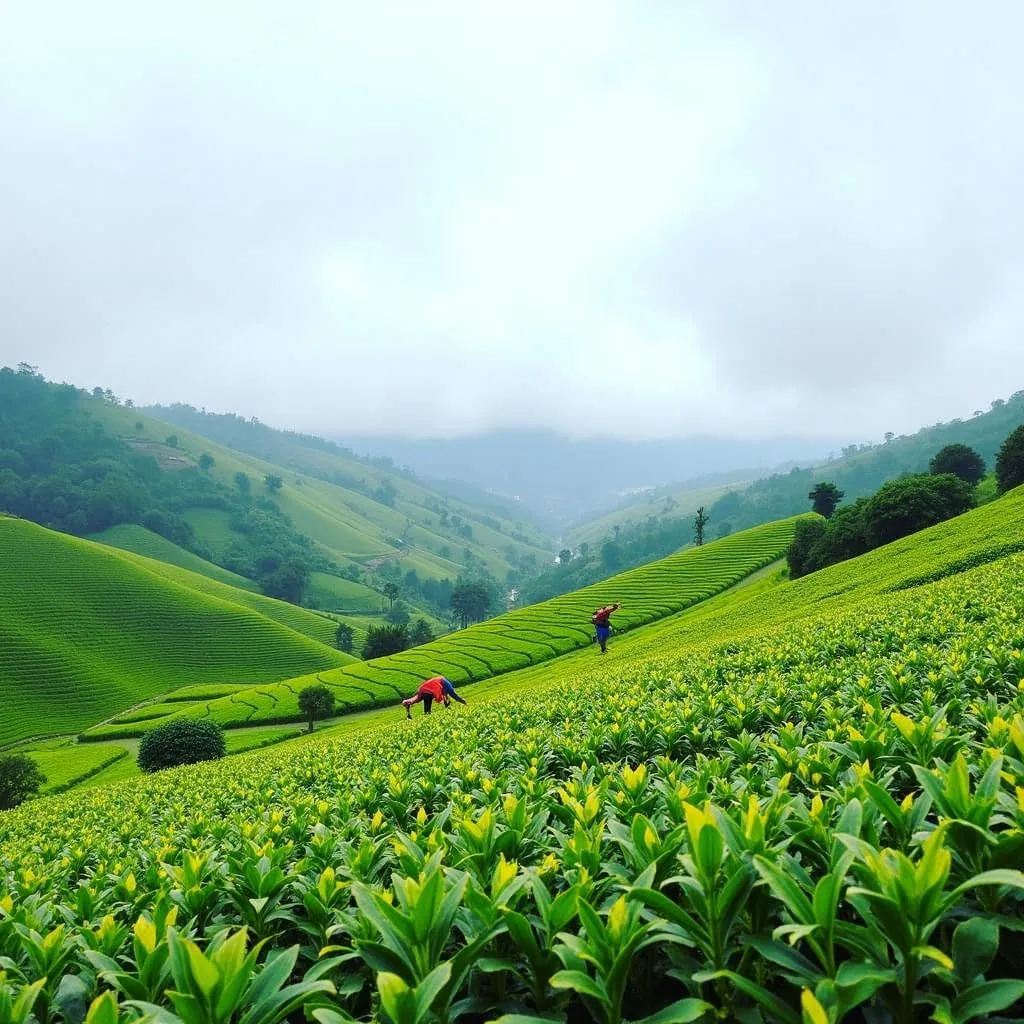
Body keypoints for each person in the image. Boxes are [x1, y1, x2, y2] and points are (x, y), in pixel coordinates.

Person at [402, 676, 467, 718]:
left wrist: (444, 700)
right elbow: (450, 696)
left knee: (419, 701)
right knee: (427, 711)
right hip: (426, 691)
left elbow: (442, 694)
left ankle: (408, 702)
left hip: (424, 690)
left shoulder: (445, 685)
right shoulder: (446, 687)